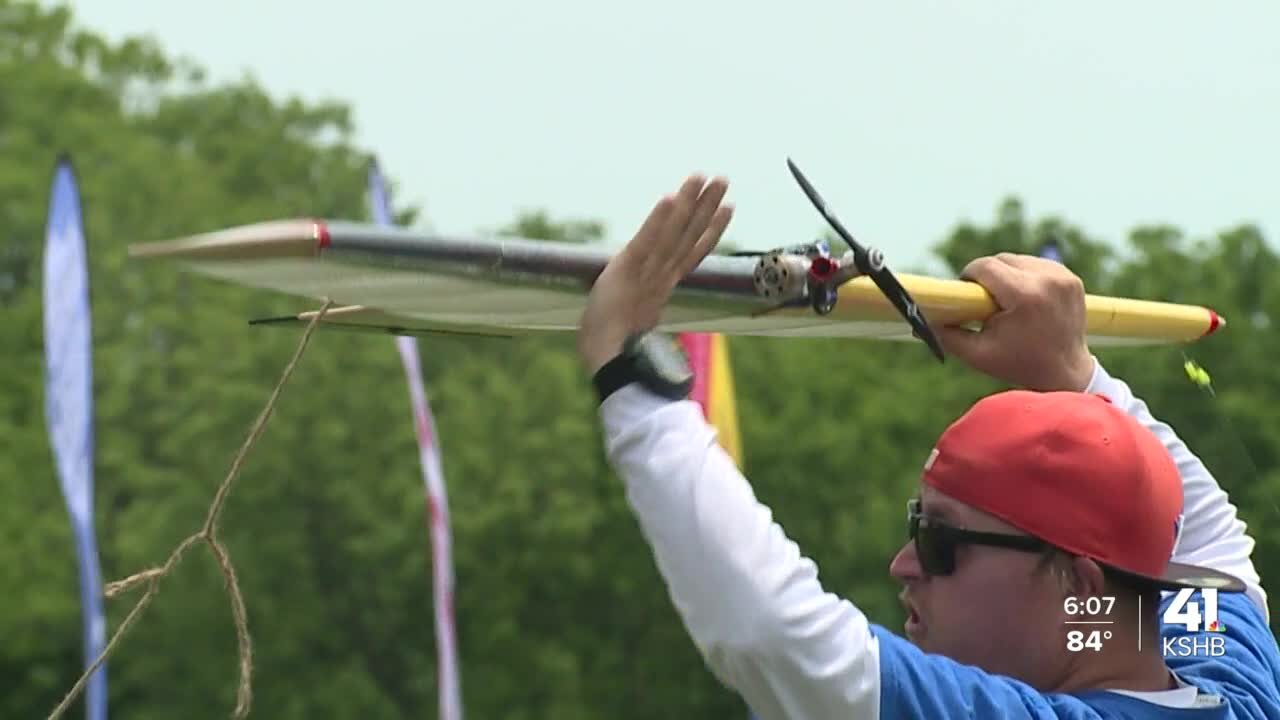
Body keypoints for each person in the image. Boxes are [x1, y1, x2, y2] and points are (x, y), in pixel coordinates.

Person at [577, 174, 1280, 718]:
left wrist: (631, 374)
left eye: (942, 541)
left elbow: (773, 638)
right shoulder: (1222, 677)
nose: (903, 564)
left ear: (1080, 585)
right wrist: (1072, 374)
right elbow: (1210, 553)